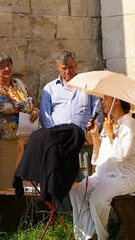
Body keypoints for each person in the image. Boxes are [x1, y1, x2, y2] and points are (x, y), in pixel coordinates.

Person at [0, 53, 39, 219]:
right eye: (2, 66)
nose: (7, 69)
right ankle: (0, 220)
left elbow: (31, 104)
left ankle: (21, 218)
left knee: (21, 181)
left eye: (9, 65)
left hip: (22, 141)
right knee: (2, 182)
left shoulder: (19, 84)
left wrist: (35, 112)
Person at [69, 96, 135, 240]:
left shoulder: (130, 123)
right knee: (77, 193)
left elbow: (122, 154)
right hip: (103, 176)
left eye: (106, 98)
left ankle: (102, 236)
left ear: (117, 100)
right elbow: (100, 155)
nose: (102, 102)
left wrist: (110, 133)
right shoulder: (109, 123)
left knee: (97, 198)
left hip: (123, 177)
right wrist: (95, 135)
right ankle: (87, 235)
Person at [39, 50, 102, 180]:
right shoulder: (49, 88)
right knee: (62, 179)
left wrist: (93, 133)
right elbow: (45, 116)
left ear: (76, 65)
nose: (67, 72)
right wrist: (54, 136)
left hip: (84, 140)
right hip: (59, 142)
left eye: (70, 67)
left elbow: (98, 109)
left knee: (85, 178)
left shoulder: (87, 86)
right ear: (58, 68)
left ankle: (84, 201)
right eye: (64, 68)